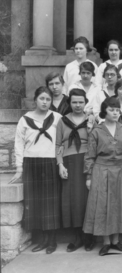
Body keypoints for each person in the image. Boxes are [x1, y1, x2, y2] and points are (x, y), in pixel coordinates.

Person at [10, 86, 63, 254]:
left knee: (50, 203)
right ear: (35, 101)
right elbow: (19, 144)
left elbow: (62, 142)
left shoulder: (57, 118)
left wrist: (60, 162)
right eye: (42, 99)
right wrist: (19, 168)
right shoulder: (25, 119)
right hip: (30, 163)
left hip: (50, 163)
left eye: (48, 99)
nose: (45, 102)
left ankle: (52, 241)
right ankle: (41, 240)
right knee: (36, 203)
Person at [83, 97, 122, 256]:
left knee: (119, 204)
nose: (115, 113)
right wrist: (89, 176)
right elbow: (90, 155)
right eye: (112, 110)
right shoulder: (96, 131)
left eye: (118, 110)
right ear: (104, 111)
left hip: (120, 171)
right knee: (103, 205)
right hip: (101, 170)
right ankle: (105, 242)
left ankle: (116, 241)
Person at [56, 89, 95, 252]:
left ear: (85, 102)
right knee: (72, 202)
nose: (77, 105)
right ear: (69, 103)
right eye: (74, 102)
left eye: (80, 102)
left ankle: (89, 238)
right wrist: (60, 165)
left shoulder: (91, 120)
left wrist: (92, 126)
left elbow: (95, 143)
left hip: (86, 162)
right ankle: (77, 238)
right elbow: (58, 145)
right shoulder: (62, 121)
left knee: (87, 201)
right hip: (69, 163)